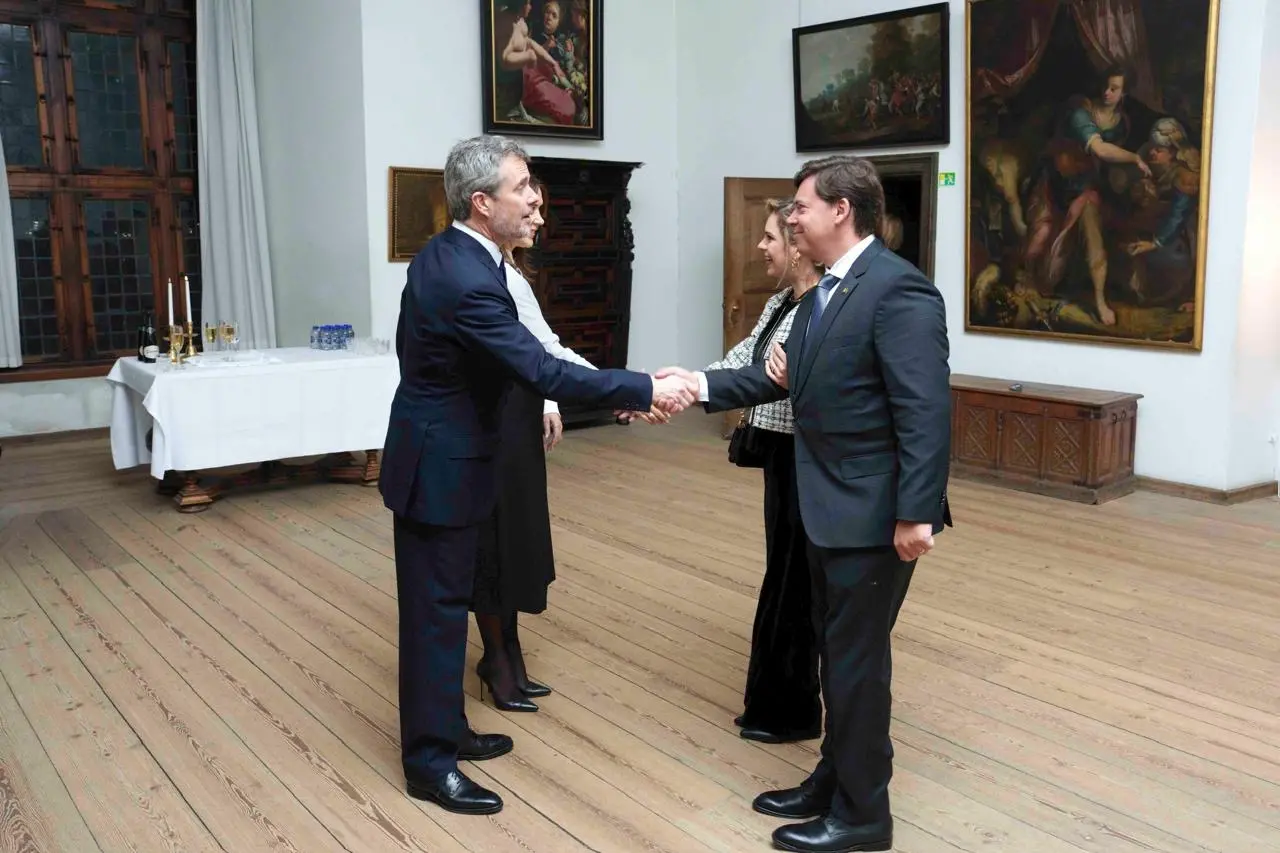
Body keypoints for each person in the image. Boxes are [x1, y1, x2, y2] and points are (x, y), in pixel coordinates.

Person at [380, 134, 693, 816]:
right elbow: (541, 367)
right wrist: (644, 386)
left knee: (444, 611)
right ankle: (429, 764)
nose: (534, 200)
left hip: (450, 458)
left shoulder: (459, 254)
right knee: (434, 621)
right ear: (481, 201)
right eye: (522, 187)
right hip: (440, 469)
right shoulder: (467, 276)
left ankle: (448, 731)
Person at [658, 154, 952, 853]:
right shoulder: (824, 293)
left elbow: (925, 411)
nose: (790, 218)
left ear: (840, 211)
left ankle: (863, 816)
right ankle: (834, 780)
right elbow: (776, 379)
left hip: (873, 515)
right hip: (829, 507)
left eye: (799, 207)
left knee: (855, 665)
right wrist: (694, 385)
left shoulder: (899, 291)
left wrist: (915, 512)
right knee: (835, 656)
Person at [704, 198, 822, 743]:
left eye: (771, 237)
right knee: (782, 574)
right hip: (781, 454)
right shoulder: (781, 302)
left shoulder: (821, 307)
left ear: (797, 247)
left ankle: (792, 712)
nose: (761, 247)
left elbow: (791, 384)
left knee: (796, 582)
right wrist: (677, 385)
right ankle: (772, 704)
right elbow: (743, 362)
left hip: (808, 459)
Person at [471, 175, 591, 712]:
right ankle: (499, 658)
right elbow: (541, 352)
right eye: (530, 204)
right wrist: (632, 392)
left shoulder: (511, 273)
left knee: (515, 542)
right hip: (493, 427)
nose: (539, 218)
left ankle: (506, 652)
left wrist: (548, 401)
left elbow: (541, 349)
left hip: (514, 423)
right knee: (495, 544)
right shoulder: (487, 274)